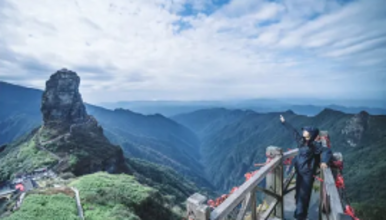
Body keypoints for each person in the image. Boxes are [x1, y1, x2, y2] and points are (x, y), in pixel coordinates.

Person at [280, 115, 332, 220]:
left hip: (307, 173)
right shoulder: (302, 142)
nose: (303, 131)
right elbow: (293, 132)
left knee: (304, 195)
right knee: (299, 193)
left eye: (306, 130)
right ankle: (299, 213)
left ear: (311, 134)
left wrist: (324, 162)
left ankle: (301, 216)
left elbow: (327, 151)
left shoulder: (314, 145)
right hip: (299, 172)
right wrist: (284, 122)